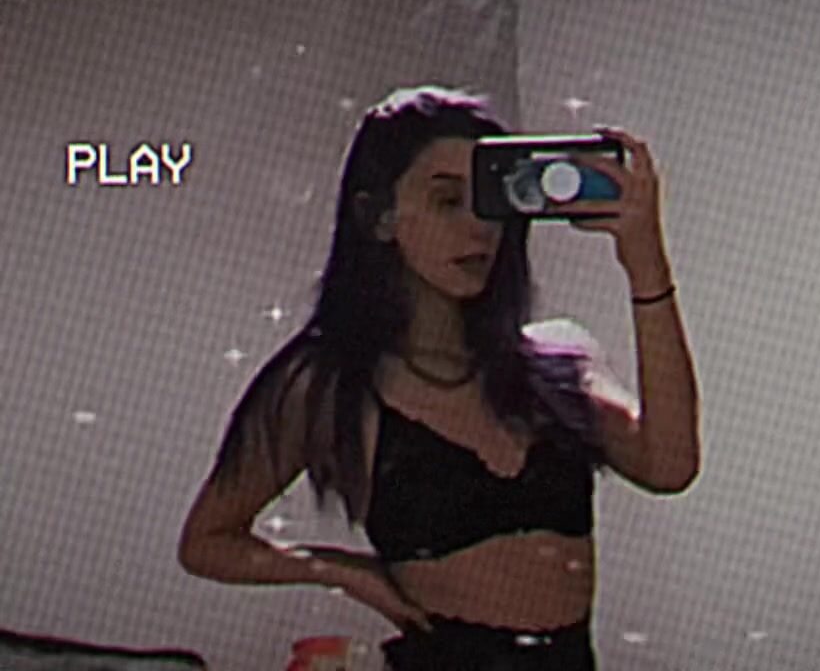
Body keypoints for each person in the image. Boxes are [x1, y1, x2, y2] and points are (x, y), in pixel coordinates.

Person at [176, 85, 701, 670]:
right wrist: (342, 571)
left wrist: (645, 260)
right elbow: (207, 542)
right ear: (379, 216)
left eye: (490, 205)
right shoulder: (326, 384)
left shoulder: (560, 358)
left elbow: (670, 466)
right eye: (447, 201)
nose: (478, 230)